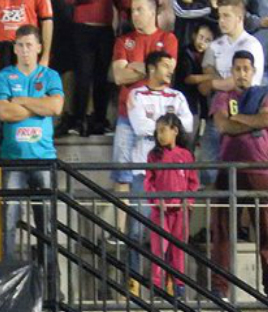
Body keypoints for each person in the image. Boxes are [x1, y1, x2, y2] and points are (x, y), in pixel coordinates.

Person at [210, 50, 268, 301]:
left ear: (253, 71)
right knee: (222, 231)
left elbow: (267, 120)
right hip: (227, 169)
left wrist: (238, 118)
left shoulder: (265, 95)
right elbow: (223, 125)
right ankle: (220, 287)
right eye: (237, 68)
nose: (242, 73)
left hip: (260, 169)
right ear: (231, 71)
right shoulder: (222, 96)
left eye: (246, 68)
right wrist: (251, 122)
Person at [0, 24, 63, 263]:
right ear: (14, 48)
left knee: (47, 227)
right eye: (20, 45)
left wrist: (21, 101)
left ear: (39, 47)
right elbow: (3, 112)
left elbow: (55, 107)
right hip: (12, 160)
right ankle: (7, 282)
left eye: (29, 45)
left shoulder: (50, 75)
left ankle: (51, 287)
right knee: (8, 225)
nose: (24, 50)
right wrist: (38, 106)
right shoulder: (3, 76)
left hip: (44, 159)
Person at [123, 52, 193, 286]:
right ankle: (133, 281)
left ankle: (172, 283)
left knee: (173, 236)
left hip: (172, 177)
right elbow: (139, 124)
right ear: (151, 68)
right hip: (144, 173)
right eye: (165, 65)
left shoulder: (178, 96)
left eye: (171, 65)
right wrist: (167, 127)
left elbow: (189, 124)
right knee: (137, 231)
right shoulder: (136, 94)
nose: (170, 70)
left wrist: (161, 128)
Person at [110, 0, 178, 199]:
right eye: (132, 10)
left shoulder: (168, 39)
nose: (134, 14)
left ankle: (156, 228)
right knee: (122, 176)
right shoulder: (123, 40)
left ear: (152, 12)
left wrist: (135, 66)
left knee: (160, 175)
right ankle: (120, 230)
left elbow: (166, 73)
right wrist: (151, 67)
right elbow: (119, 77)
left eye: (140, 10)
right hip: (126, 116)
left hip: (159, 119)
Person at [0, 0, 53, 162]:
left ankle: (28, 171)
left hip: (27, 65)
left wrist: (44, 58)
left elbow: (47, 21)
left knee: (28, 121)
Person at [199, 0, 265, 185]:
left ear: (239, 18)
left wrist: (214, 82)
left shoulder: (251, 45)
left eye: (226, 16)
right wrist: (216, 82)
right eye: (220, 16)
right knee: (208, 167)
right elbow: (207, 70)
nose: (221, 21)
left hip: (244, 111)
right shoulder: (215, 45)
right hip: (218, 111)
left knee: (243, 170)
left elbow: (240, 82)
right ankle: (213, 209)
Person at [145, 114, 199, 297]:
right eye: (157, 131)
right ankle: (157, 285)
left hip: (180, 211)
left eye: (163, 130)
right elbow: (149, 182)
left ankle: (179, 285)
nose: (159, 135)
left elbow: (193, 182)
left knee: (178, 250)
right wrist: (156, 199)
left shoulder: (186, 155)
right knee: (159, 248)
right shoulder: (153, 156)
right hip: (160, 211)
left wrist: (188, 200)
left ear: (175, 131)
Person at [57, 0, 114, 136]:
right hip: (82, 27)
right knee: (83, 76)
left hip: (105, 29)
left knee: (102, 78)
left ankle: (99, 121)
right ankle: (78, 120)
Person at [176, 21, 217, 148]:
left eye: (208, 40)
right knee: (186, 140)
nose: (202, 42)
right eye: (201, 37)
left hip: (201, 104)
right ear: (194, 36)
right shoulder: (185, 52)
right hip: (186, 102)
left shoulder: (210, 56)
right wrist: (212, 76)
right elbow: (188, 78)